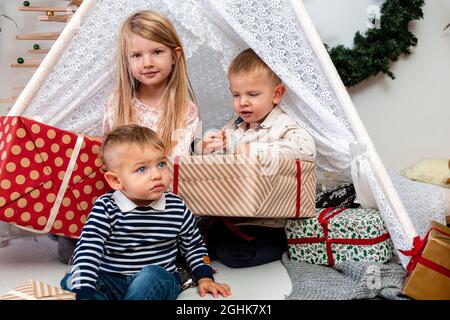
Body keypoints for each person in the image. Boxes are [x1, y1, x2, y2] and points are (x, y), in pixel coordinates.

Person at [57, 10, 200, 276]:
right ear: (127, 61)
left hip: (159, 203)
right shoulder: (117, 102)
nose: (147, 62)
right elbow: (108, 156)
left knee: (191, 236)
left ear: (175, 56)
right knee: (72, 248)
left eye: (157, 52)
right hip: (124, 202)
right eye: (136, 55)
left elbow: (176, 164)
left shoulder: (185, 110)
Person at [60, 125, 231, 300]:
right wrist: (84, 294)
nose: (157, 174)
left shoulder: (176, 207)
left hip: (156, 279)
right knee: (74, 279)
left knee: (151, 275)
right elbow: (88, 251)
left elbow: (194, 245)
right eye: (142, 169)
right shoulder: (106, 208)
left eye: (161, 164)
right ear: (116, 180)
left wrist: (205, 277)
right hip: (113, 280)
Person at [195, 48, 317, 268]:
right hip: (234, 214)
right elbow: (218, 167)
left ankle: (284, 245)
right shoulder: (233, 127)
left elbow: (306, 149)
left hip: (269, 220)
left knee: (232, 254)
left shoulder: (283, 125)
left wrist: (257, 150)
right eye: (236, 95)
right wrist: (205, 148)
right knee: (196, 238)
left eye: (252, 95)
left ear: (276, 94)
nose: (243, 102)